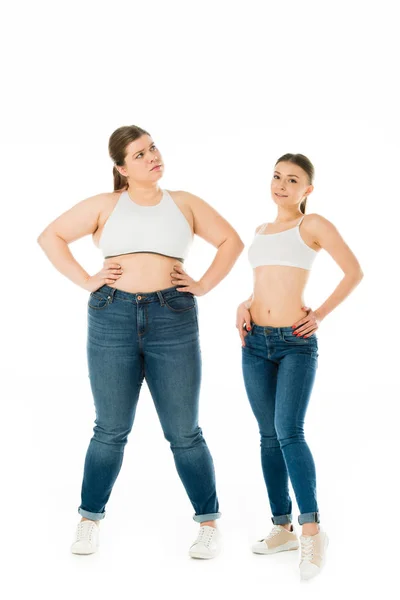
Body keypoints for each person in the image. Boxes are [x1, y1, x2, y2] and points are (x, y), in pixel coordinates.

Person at [37, 125, 244, 558]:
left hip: (174, 317)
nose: (152, 157)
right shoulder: (106, 204)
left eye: (153, 148)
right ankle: (88, 519)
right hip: (111, 315)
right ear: (121, 167)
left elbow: (231, 241)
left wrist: (203, 284)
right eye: (139, 154)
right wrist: (87, 280)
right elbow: (50, 237)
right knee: (110, 429)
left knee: (184, 431)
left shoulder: (183, 203)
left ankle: (208, 524)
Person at [237, 153, 363, 580]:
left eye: (292, 180)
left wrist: (320, 314)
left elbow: (353, 272)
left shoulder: (312, 225)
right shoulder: (260, 230)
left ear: (307, 190)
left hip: (295, 343)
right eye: (276, 176)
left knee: (289, 431)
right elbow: (264, 282)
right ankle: (281, 528)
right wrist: (243, 304)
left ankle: (312, 532)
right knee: (268, 436)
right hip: (254, 343)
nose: (281, 185)